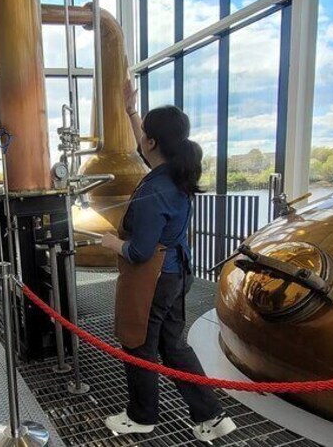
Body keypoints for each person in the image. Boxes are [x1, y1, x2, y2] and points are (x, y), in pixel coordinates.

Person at [100, 78, 236, 442]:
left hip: (154, 278)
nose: (141, 140)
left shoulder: (156, 189)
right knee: (173, 345)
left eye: (144, 133)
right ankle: (211, 415)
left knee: (138, 344)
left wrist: (113, 243)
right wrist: (131, 112)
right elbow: (149, 151)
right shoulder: (173, 173)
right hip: (176, 273)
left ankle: (141, 416)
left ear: (154, 142)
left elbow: (140, 251)